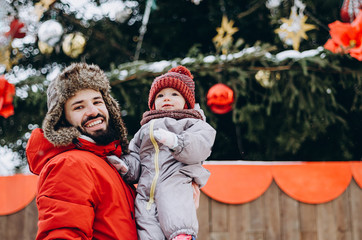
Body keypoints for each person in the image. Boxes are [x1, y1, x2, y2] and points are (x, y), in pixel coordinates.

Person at [25, 63, 138, 240]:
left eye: (97, 102)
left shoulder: (111, 164)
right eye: (79, 107)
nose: (93, 111)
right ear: (62, 120)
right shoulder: (70, 165)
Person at [107, 65, 216, 240]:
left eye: (174, 94)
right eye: (160, 95)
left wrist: (176, 142)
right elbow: (136, 156)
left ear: (186, 101)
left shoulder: (192, 123)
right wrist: (126, 166)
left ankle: (182, 235)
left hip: (176, 178)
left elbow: (200, 146)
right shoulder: (145, 129)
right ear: (152, 102)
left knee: (173, 201)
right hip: (146, 190)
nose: (166, 99)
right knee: (145, 219)